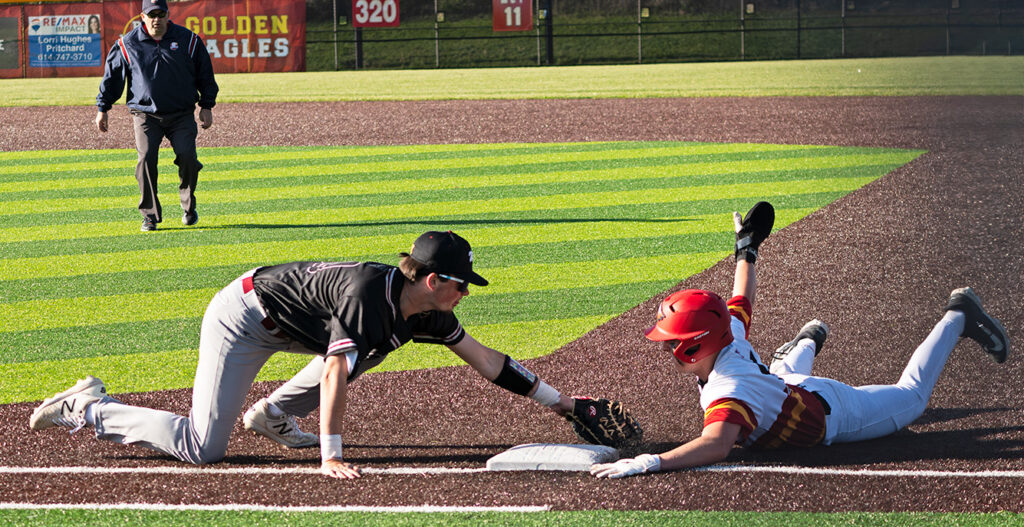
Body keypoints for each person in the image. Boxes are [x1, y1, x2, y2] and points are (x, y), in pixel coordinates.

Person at [30, 231, 578, 479]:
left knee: (361, 352)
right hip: (244, 318)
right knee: (203, 447)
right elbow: (335, 371)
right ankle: (90, 407)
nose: (466, 295)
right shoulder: (370, 296)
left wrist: (564, 404)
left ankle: (271, 416)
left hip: (299, 325)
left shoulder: (427, 311)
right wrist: (330, 454)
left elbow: (487, 360)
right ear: (434, 280)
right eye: (462, 285)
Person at [590, 202, 1011, 479]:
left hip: (836, 414)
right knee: (776, 379)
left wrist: (652, 461)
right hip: (786, 390)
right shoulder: (727, 336)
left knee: (913, 397)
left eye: (672, 340)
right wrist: (746, 250)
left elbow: (716, 445)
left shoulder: (729, 387)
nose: (666, 347)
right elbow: (739, 298)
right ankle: (801, 345)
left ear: (697, 342)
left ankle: (958, 315)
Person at [95, 0, 218, 232]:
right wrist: (103, 108)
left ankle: (189, 207)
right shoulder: (127, 44)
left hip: (181, 114)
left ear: (168, 14)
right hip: (145, 115)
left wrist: (207, 105)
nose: (156, 19)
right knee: (146, 160)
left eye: (161, 14)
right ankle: (150, 215)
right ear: (142, 16)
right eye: (151, 14)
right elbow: (112, 79)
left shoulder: (188, 40)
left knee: (188, 158)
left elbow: (205, 73)